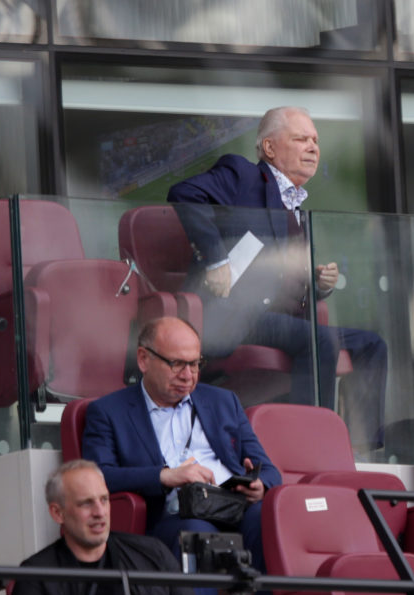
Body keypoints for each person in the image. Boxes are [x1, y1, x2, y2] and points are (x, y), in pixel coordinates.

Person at [166, 105, 387, 452]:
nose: (313, 147)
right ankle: (311, 449)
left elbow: (282, 275)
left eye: (315, 140)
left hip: (282, 316)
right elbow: (184, 194)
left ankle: (363, 450)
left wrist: (317, 284)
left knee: (372, 346)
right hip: (238, 313)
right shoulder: (241, 175)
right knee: (321, 341)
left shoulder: (297, 208)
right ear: (269, 148)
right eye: (301, 139)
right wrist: (215, 260)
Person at [82, 316, 282, 595]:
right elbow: (95, 477)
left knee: (269, 514)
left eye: (195, 364)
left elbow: (271, 471)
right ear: (144, 359)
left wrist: (258, 485)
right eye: (177, 364)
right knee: (195, 530)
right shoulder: (109, 412)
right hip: (170, 517)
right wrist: (166, 476)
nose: (188, 375)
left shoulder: (224, 402)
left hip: (232, 507)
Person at [10, 460, 211, 595]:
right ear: (57, 513)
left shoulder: (153, 554)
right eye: (86, 503)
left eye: (104, 500)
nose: (99, 512)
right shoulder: (35, 576)